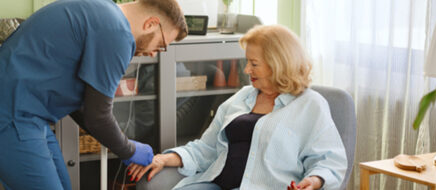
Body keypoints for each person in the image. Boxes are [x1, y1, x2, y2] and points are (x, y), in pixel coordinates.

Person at [0, 0, 187, 189]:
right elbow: (98, 116)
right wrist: (130, 150)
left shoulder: (102, 12)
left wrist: (124, 146)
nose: (154, 53)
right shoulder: (116, 33)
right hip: (5, 116)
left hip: (27, 115)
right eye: (161, 45)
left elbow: (86, 108)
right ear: (151, 23)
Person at [128, 25, 347, 190]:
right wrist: (164, 158)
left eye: (254, 64)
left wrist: (315, 180)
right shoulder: (242, 97)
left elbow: (329, 160)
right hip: (218, 183)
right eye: (247, 62)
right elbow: (207, 148)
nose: (246, 70)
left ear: (278, 63)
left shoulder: (310, 104)